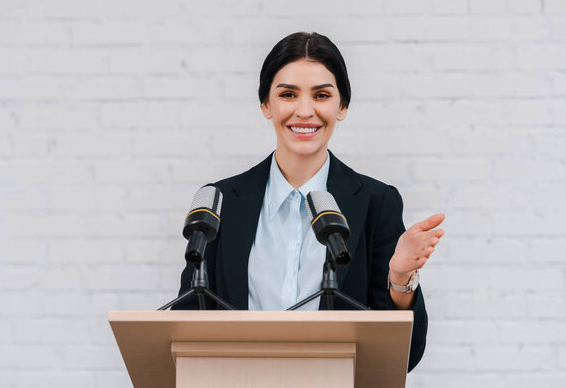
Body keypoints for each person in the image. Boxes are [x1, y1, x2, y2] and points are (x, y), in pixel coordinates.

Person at [177, 31, 445, 371]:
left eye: (321, 95)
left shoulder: (377, 202)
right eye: (288, 94)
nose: (305, 111)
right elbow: (185, 327)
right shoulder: (222, 201)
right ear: (266, 105)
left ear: (342, 107)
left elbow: (405, 357)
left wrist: (400, 279)